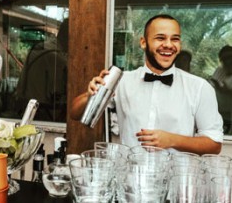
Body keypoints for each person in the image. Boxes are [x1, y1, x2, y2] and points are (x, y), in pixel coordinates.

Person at [71, 14, 223, 155]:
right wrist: (90, 95)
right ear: (143, 43)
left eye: (175, 39)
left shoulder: (200, 88)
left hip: (174, 181)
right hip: (128, 179)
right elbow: (75, 113)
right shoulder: (122, 81)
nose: (168, 45)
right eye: (160, 38)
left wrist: (172, 140)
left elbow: (214, 144)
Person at [15, 19, 68, 122]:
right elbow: (59, 92)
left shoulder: (40, 47)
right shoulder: (56, 57)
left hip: (25, 104)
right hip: (40, 110)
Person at [210, 45, 232, 134]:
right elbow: (212, 86)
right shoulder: (220, 70)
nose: (228, 61)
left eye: (230, 57)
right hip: (217, 115)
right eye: (224, 59)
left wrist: (226, 91)